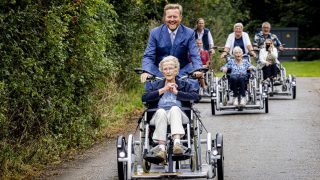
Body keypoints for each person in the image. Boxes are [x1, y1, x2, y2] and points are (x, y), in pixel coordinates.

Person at [142, 56, 200, 161]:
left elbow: (196, 97)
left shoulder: (184, 84)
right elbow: (144, 98)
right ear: (162, 71)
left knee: (174, 109)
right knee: (161, 111)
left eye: (171, 68)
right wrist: (163, 90)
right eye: (165, 69)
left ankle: (177, 145)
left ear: (176, 70)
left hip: (180, 115)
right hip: (158, 116)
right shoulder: (156, 85)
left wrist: (177, 93)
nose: (168, 71)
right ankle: (161, 148)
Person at [141, 3, 203, 84]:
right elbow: (149, 55)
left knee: (192, 88)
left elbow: (194, 54)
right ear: (164, 18)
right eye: (169, 17)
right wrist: (146, 70)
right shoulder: (155, 33)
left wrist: (197, 69)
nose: (172, 19)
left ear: (180, 18)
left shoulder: (189, 33)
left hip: (182, 71)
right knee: (150, 90)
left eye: (175, 17)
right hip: (160, 72)